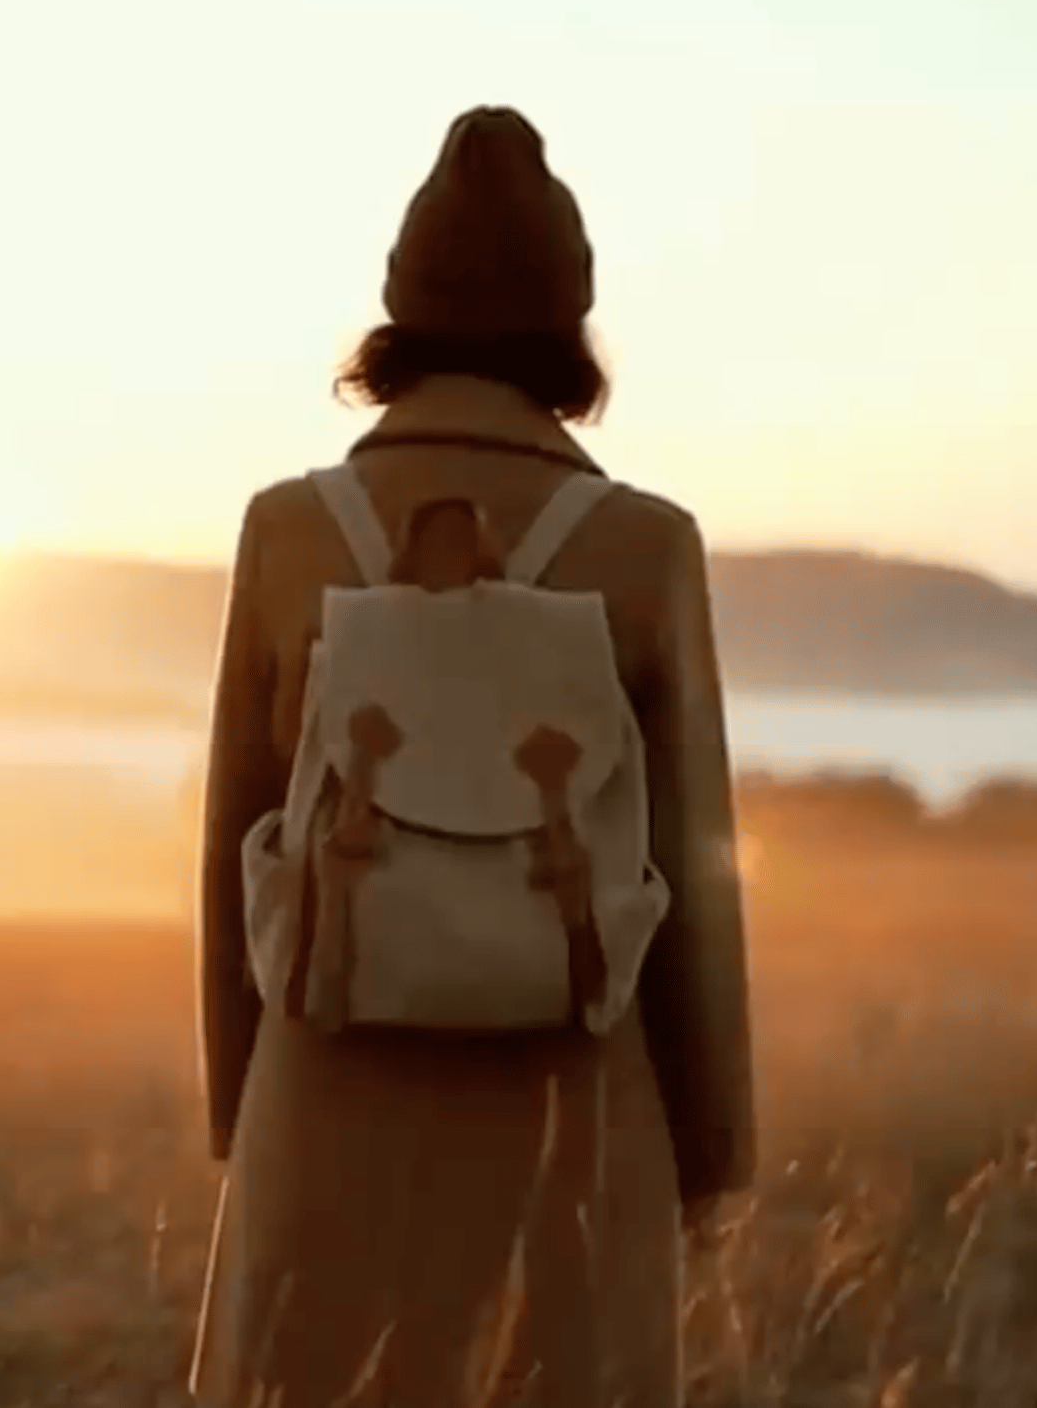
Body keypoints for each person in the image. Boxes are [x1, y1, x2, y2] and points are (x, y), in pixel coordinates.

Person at [188, 106, 757, 1407]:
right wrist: (708, 1150)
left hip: (319, 1098)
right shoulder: (647, 546)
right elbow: (695, 871)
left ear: (397, 317)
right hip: (574, 1122)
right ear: (570, 328)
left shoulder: (285, 533)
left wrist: (242, 1110)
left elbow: (234, 842)